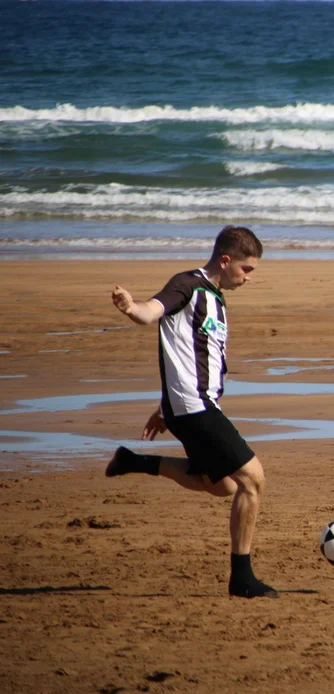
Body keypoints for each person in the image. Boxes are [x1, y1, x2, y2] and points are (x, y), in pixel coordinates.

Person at [105, 226, 277, 598]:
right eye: (246, 269)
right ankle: (242, 579)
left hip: (189, 406)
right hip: (195, 408)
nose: (248, 278)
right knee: (253, 480)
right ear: (226, 260)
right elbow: (151, 312)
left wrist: (164, 407)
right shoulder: (187, 285)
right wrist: (132, 308)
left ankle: (134, 461)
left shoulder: (216, 298)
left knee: (223, 485)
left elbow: (186, 356)